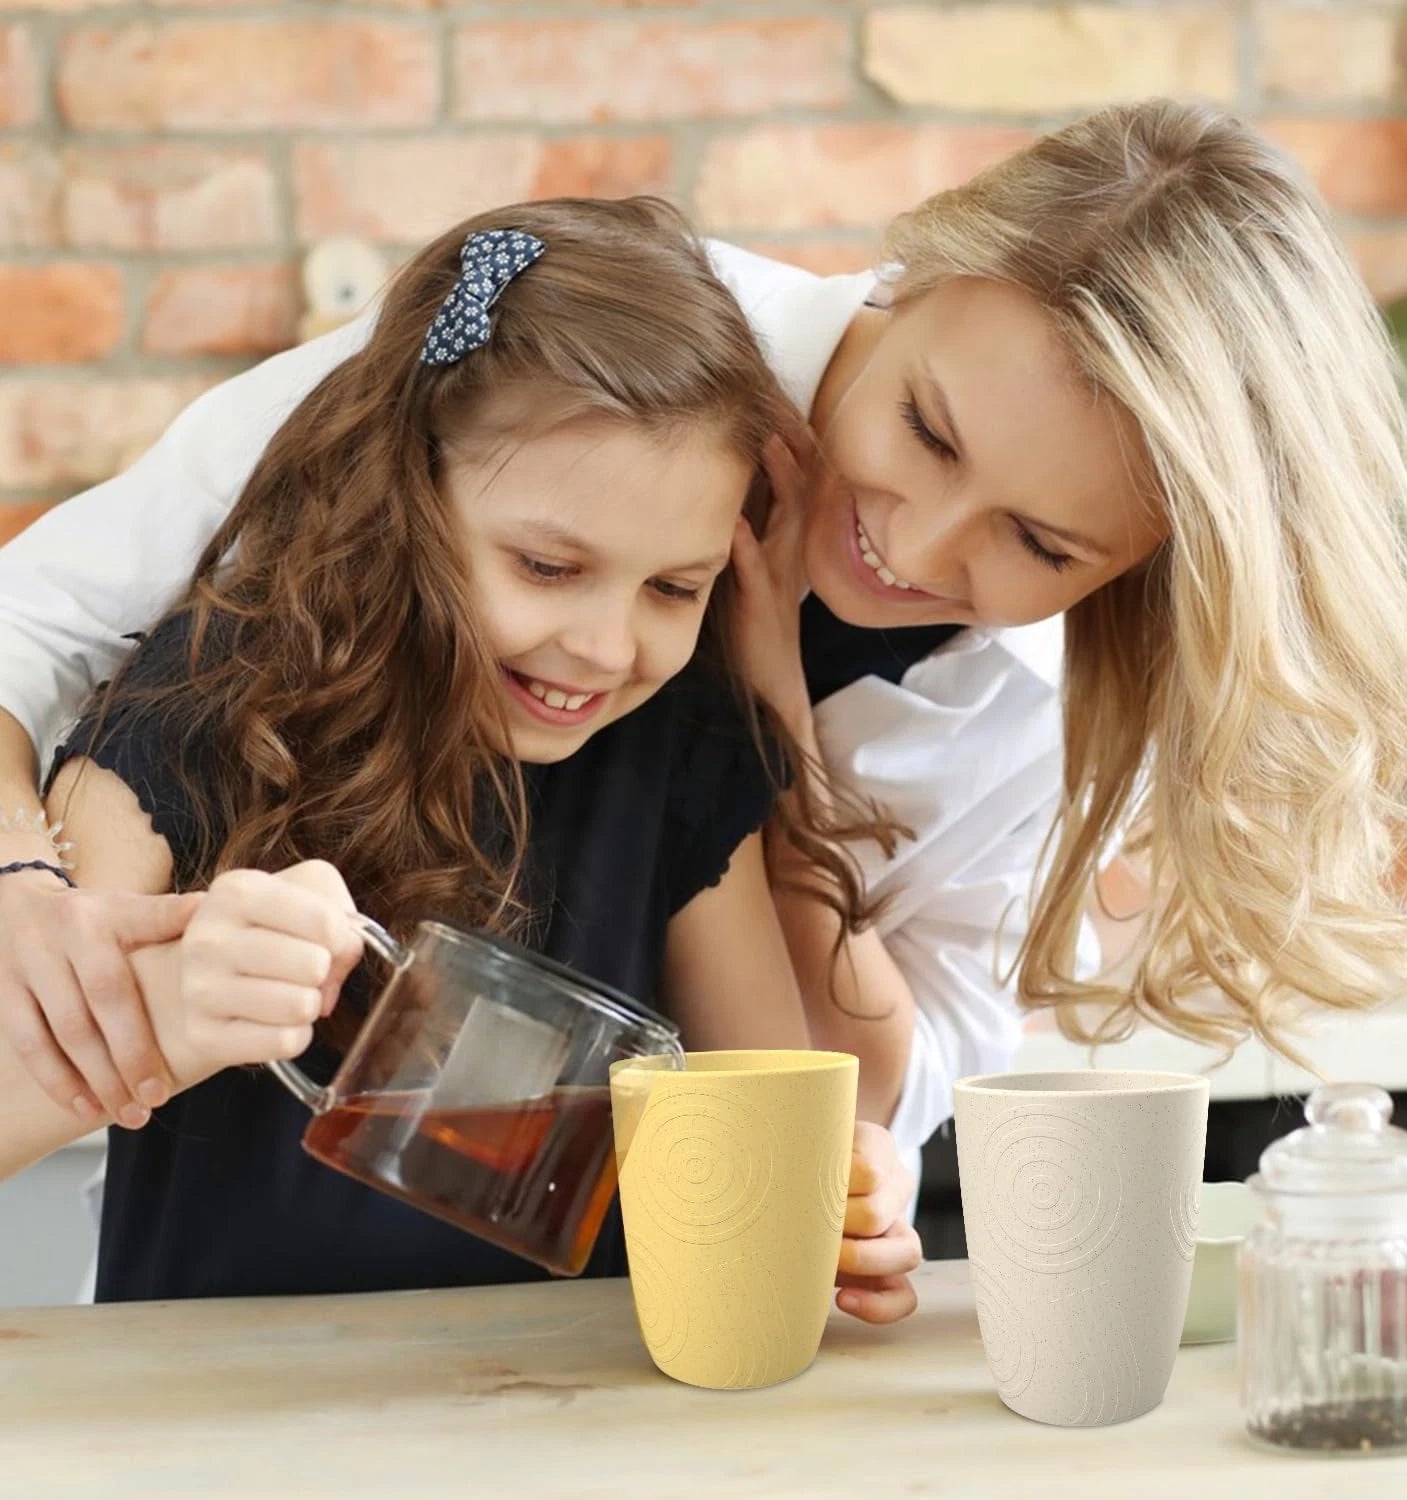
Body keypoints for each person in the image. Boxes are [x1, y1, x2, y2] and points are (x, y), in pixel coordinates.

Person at [0, 100, 1407, 1189]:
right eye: (928, 429)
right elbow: (44, 616)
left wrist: (769, 735)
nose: (919, 552)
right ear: (907, 272)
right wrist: (28, 886)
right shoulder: (577, 354)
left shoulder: (965, 712)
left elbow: (842, 1111)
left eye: (1042, 547)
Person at [0, 198, 921, 1317]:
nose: (606, 645)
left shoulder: (676, 746)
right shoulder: (208, 706)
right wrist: (173, 1007)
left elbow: (770, 1104)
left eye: (673, 588)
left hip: (582, 1424)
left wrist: (837, 1201)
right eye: (544, 567)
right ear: (409, 497)